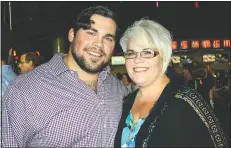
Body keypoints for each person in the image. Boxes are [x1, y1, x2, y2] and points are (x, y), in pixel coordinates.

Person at [2, 6, 129, 147]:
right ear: (72, 35)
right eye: (91, 33)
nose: (99, 44)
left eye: (108, 38)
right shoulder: (25, 90)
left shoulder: (120, 91)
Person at [114, 18, 227, 147]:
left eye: (147, 52)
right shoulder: (125, 102)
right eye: (131, 53)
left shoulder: (188, 101)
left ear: (164, 56)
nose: (137, 60)